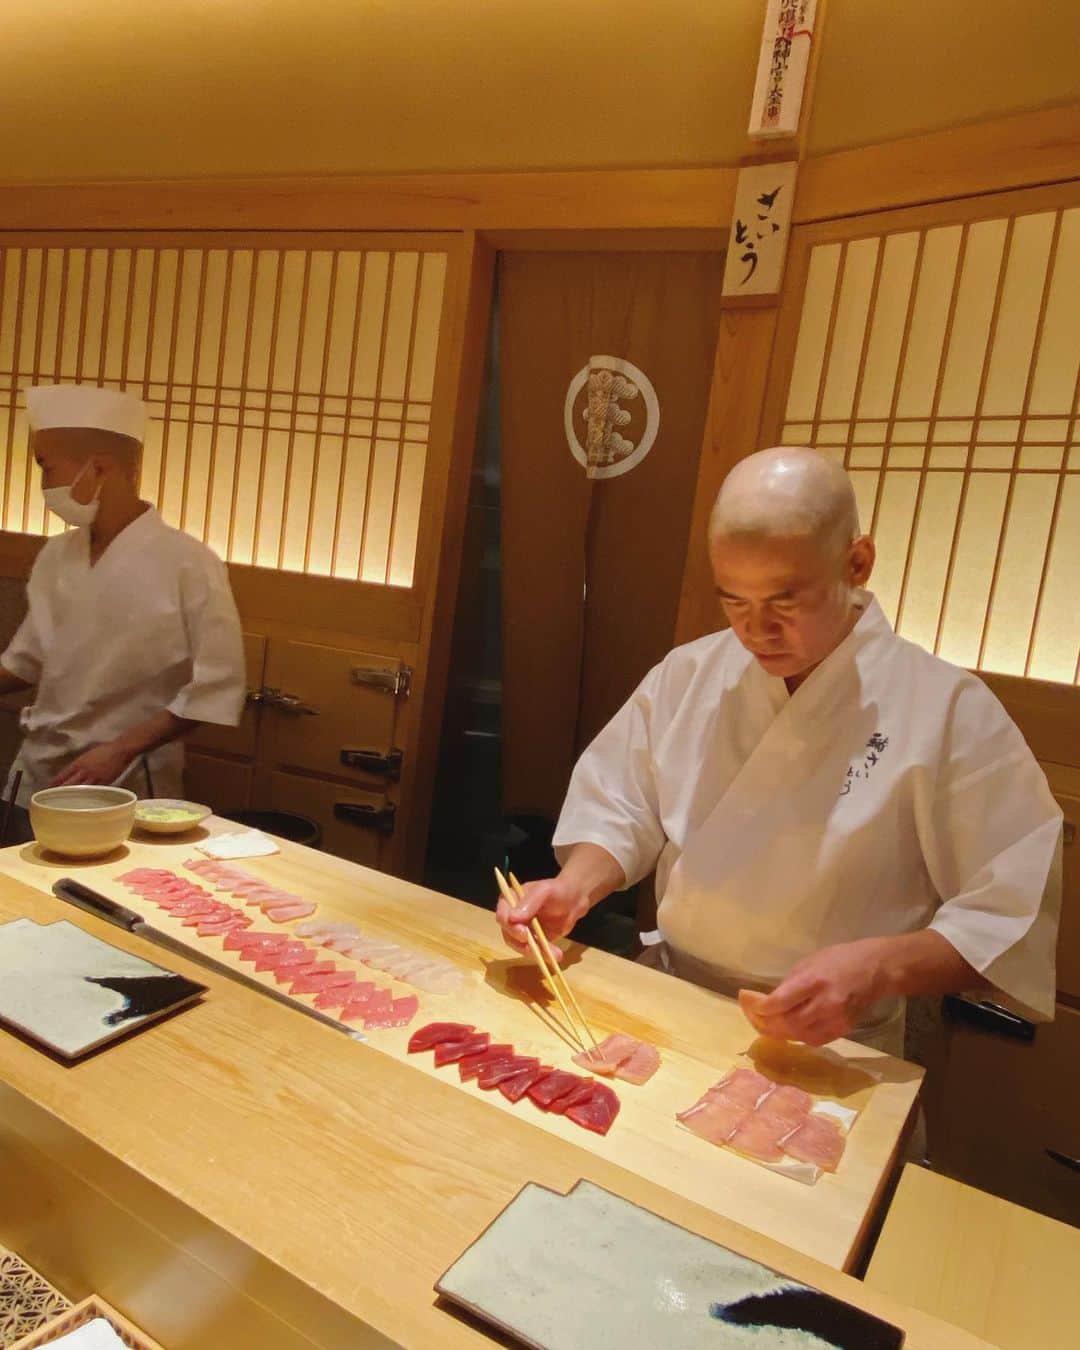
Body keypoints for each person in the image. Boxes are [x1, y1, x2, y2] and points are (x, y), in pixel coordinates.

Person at [496, 447, 1062, 1056]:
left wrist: (881, 968)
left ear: (858, 562)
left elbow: (1009, 909)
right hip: (669, 999)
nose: (755, 630)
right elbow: (624, 804)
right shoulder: (690, 674)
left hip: (833, 1041)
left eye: (784, 600)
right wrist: (574, 886)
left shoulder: (948, 709)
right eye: (734, 601)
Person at [0, 384, 246, 826]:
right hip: (39, 773)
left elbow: (215, 688)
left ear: (98, 467)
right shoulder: (57, 556)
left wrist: (120, 749)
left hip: (130, 779)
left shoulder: (189, 564)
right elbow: (25, 662)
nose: (42, 483)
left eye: (45, 466)